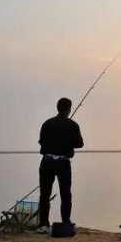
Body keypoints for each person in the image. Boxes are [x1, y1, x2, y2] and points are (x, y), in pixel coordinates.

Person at [36, 98, 84, 234]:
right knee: (66, 194)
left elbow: (41, 142)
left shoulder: (47, 124)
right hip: (63, 163)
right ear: (69, 109)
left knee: (44, 194)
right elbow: (80, 144)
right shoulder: (73, 125)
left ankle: (43, 224)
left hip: (47, 161)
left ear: (57, 108)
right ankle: (66, 222)